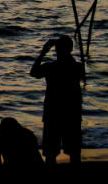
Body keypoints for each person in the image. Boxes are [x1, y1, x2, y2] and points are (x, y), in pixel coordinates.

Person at [30, 35, 85, 165]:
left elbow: (33, 72)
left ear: (56, 50)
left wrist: (43, 52)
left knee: (50, 153)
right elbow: (82, 76)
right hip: (72, 113)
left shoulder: (51, 67)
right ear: (70, 49)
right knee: (74, 153)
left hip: (53, 113)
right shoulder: (78, 67)